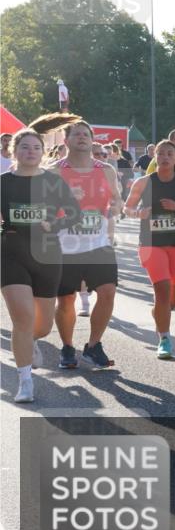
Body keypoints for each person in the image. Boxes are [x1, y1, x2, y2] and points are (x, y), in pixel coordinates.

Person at [2, 125, 82, 403]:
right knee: (22, 319)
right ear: (14, 151)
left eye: (36, 147)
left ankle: (31, 341)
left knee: (43, 326)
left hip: (47, 255)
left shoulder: (53, 181)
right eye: (25, 147)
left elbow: (74, 214)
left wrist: (54, 224)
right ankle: (25, 382)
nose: (31, 152)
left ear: (43, 152)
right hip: (11, 253)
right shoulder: (3, 182)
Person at [53, 121, 122, 370]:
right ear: (66, 141)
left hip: (98, 244)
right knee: (66, 300)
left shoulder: (106, 170)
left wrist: (116, 208)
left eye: (86, 134)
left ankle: (93, 346)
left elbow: (117, 200)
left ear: (92, 140)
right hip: (64, 246)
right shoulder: (54, 171)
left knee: (108, 291)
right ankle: (67, 347)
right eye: (76, 134)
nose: (82, 137)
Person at [126, 140, 175, 359]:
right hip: (151, 244)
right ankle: (165, 338)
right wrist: (138, 213)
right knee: (162, 289)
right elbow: (127, 208)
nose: (165, 157)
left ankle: (160, 314)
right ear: (154, 156)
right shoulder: (143, 182)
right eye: (161, 153)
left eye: (170, 153)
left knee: (173, 298)